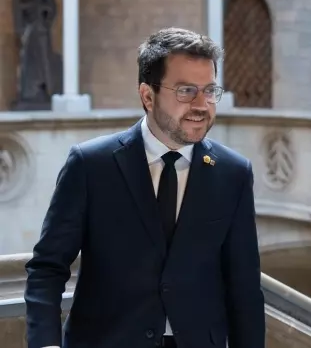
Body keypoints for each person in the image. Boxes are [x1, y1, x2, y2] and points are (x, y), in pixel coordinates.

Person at [24, 28, 265, 348]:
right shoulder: (91, 165)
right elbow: (47, 268)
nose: (201, 105)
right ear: (147, 96)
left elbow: (244, 289)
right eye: (185, 91)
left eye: (209, 91)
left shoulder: (233, 173)